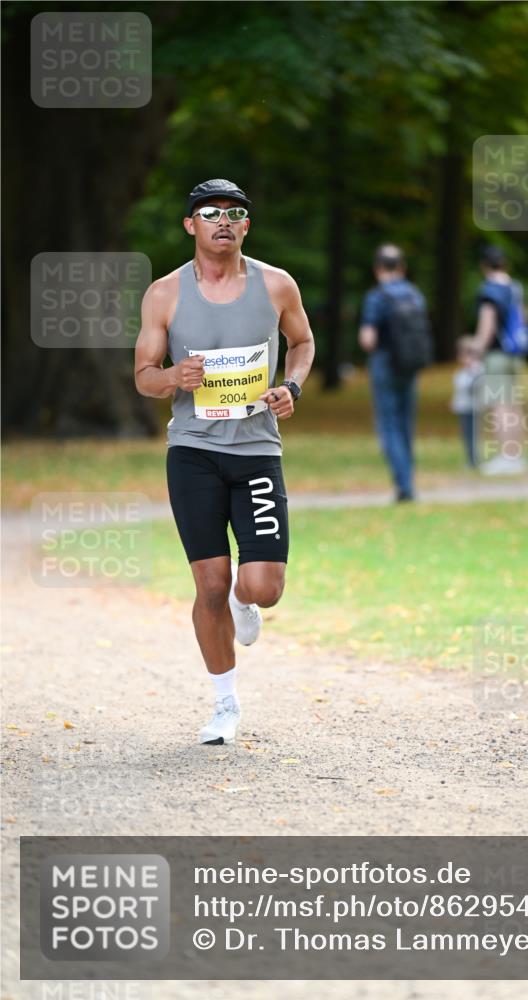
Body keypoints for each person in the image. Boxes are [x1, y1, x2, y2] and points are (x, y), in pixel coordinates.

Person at [134, 178, 315, 745]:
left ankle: (244, 600)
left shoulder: (276, 284)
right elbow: (143, 377)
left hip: (257, 450)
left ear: (246, 226)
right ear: (191, 225)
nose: (223, 222)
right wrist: (172, 376)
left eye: (234, 213)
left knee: (263, 586)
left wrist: (291, 386)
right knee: (209, 583)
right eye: (210, 213)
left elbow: (303, 343)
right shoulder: (164, 293)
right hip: (193, 452)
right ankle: (224, 704)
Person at [358, 244, 430, 502]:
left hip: (385, 364)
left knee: (389, 425)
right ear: (402, 267)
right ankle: (409, 479)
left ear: (378, 268)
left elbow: (368, 339)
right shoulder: (415, 294)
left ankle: (403, 485)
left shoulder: (377, 297)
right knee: (405, 423)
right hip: (410, 365)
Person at [471, 245, 528, 475]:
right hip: (516, 353)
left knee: (499, 406)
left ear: (484, 265)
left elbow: (488, 325)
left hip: (497, 354)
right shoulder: (516, 287)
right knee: (514, 405)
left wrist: (476, 348)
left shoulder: (489, 290)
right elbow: (524, 319)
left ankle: (506, 457)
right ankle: (517, 455)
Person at [451, 336, 483, 468]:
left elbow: (475, 387)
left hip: (474, 408)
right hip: (463, 408)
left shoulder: (478, 370)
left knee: (474, 434)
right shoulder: (460, 373)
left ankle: (475, 459)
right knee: (466, 435)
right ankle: (470, 459)